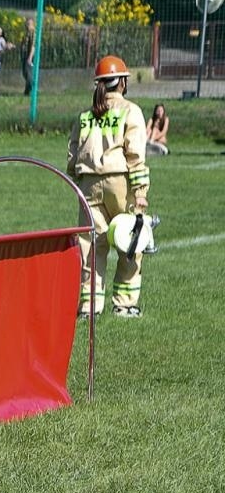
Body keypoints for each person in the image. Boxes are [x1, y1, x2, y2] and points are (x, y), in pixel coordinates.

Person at [68, 55, 151, 318]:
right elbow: (135, 154)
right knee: (131, 241)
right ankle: (124, 304)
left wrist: (77, 180)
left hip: (88, 185)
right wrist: (140, 194)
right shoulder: (130, 111)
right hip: (120, 184)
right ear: (123, 83)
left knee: (91, 245)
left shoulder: (84, 116)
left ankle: (88, 307)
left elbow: (72, 155)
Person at [22, 21, 37, 96]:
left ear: (32, 25)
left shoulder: (33, 33)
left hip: (30, 55)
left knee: (28, 73)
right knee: (25, 73)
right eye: (26, 24)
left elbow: (33, 46)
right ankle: (27, 91)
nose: (26, 26)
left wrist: (30, 57)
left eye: (28, 24)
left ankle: (32, 89)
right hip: (25, 55)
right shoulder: (27, 33)